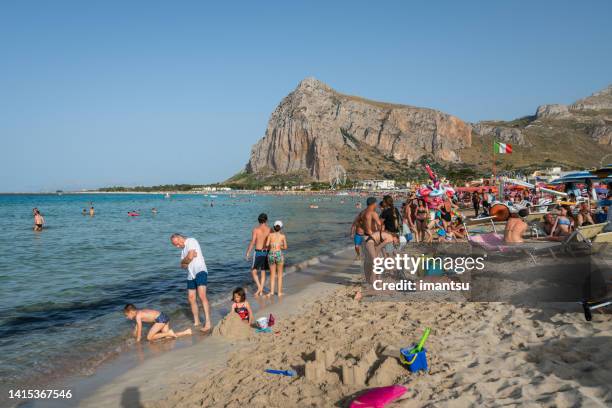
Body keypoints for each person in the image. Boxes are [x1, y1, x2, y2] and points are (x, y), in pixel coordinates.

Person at [170, 233, 211, 332]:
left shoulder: (191, 241)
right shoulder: (183, 251)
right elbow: (183, 266)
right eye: (175, 245)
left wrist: (187, 258)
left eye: (177, 243)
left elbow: (190, 257)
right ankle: (196, 322)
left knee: (202, 296)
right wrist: (186, 259)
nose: (177, 246)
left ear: (180, 238)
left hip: (200, 270)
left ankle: (208, 322)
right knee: (191, 298)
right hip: (190, 275)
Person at [124, 304, 191, 342]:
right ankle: (186, 332)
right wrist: (134, 333)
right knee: (168, 337)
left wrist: (138, 341)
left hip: (160, 319)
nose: (127, 317)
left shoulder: (138, 316)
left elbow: (140, 328)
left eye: (127, 315)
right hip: (163, 316)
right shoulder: (139, 312)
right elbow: (137, 327)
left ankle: (169, 333)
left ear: (131, 312)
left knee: (149, 338)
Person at [245, 213, 271, 297]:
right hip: (266, 252)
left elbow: (253, 242)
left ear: (258, 220)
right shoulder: (270, 230)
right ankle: (260, 290)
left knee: (253, 271)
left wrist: (248, 252)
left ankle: (259, 289)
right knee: (263, 271)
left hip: (258, 252)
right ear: (266, 220)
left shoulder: (255, 230)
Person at [265, 220, 287, 297]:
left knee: (272, 274)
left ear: (274, 227)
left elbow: (267, 245)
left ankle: (271, 292)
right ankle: (279, 293)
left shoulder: (270, 235)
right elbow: (285, 247)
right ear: (281, 228)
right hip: (279, 254)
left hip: (271, 254)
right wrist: (279, 246)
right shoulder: (283, 236)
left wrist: (272, 244)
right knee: (280, 275)